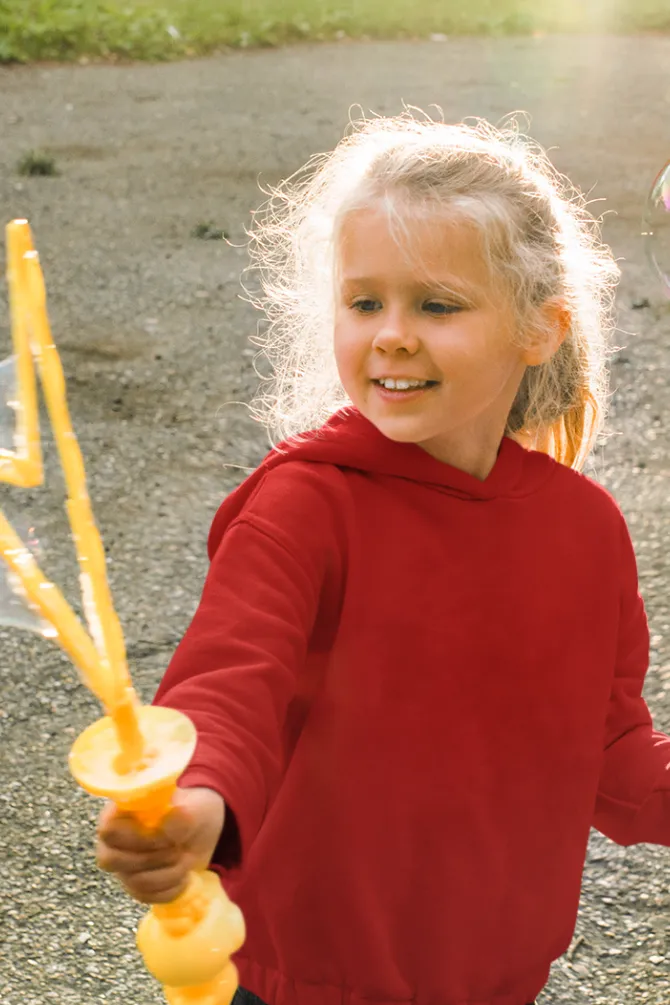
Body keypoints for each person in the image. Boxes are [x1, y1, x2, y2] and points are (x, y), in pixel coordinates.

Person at [95, 110, 670, 1005]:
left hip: (496, 984)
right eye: (366, 302)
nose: (392, 334)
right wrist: (199, 794)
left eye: (436, 304)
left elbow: (609, 745)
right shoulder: (306, 504)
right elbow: (231, 676)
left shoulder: (585, 528)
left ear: (540, 328)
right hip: (300, 985)